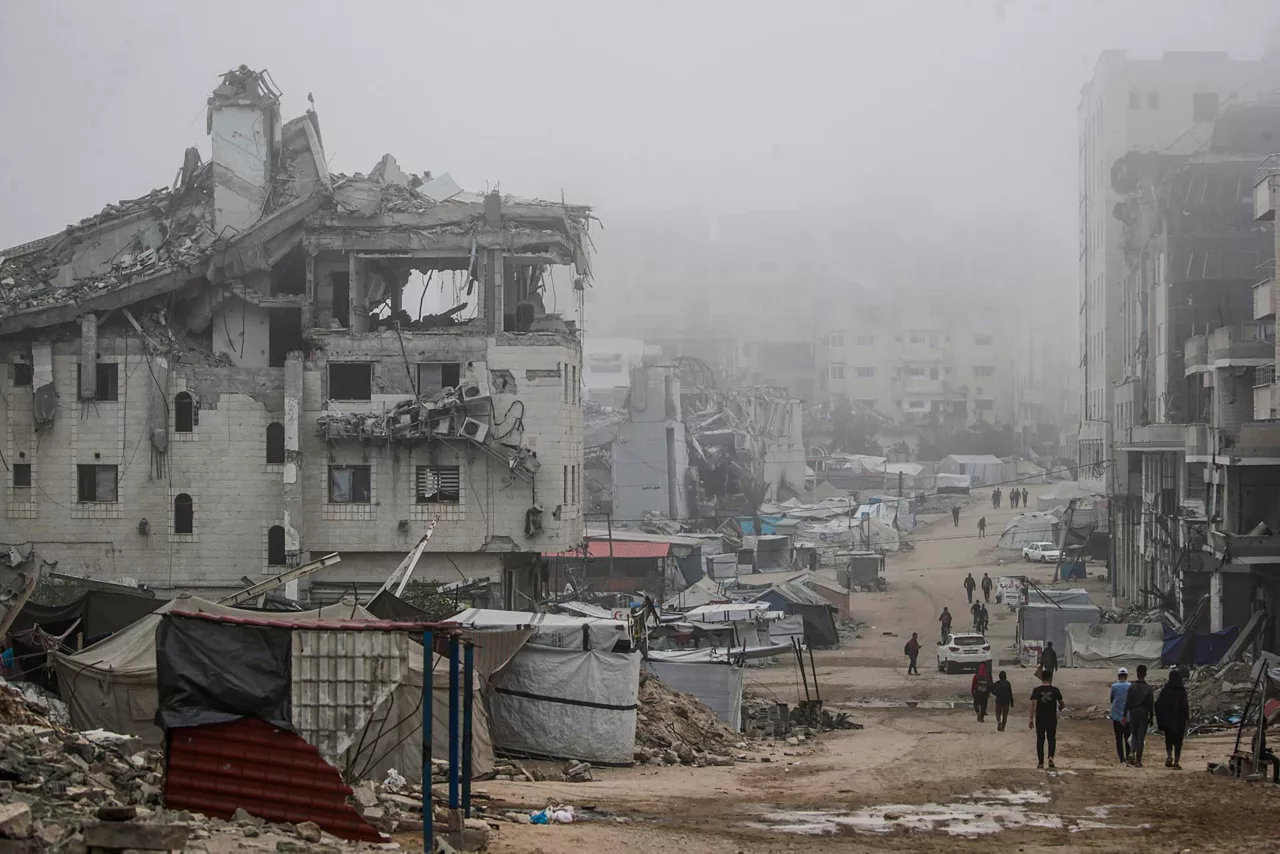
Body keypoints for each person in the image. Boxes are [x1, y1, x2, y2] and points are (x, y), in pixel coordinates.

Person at [1155, 668, 1189, 770]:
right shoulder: (1182, 691)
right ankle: (1176, 762)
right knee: (1178, 741)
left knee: (1168, 739)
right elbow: (1185, 707)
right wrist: (1186, 719)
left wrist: (1160, 718)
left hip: (1167, 721)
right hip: (1179, 721)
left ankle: (1169, 757)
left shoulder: (1165, 691)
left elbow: (1158, 704)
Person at [1029, 673, 1065, 769]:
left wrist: (1031, 718)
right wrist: (1059, 708)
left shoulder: (1036, 690)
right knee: (1051, 739)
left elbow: (1034, 705)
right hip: (1051, 718)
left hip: (1040, 719)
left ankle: (1041, 762)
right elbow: (1062, 703)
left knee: (1040, 740)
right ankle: (1050, 758)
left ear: (1041, 678)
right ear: (1050, 678)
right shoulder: (1055, 690)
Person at [1125, 664, 1156, 767]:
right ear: (1145, 674)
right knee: (1141, 737)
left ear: (1137, 673)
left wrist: (1125, 715)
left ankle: (1131, 752)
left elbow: (1127, 702)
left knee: (1134, 734)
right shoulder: (1148, 688)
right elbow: (1151, 704)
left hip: (1133, 712)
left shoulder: (1131, 687)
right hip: (1143, 713)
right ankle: (1138, 760)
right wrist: (1151, 717)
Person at [1109, 667, 1132, 764]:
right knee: (1127, 738)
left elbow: (1112, 699)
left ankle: (1121, 759)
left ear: (1118, 676)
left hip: (1116, 715)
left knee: (1118, 739)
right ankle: (1128, 756)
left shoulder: (1114, 686)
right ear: (1126, 676)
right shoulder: (1131, 686)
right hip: (1128, 716)